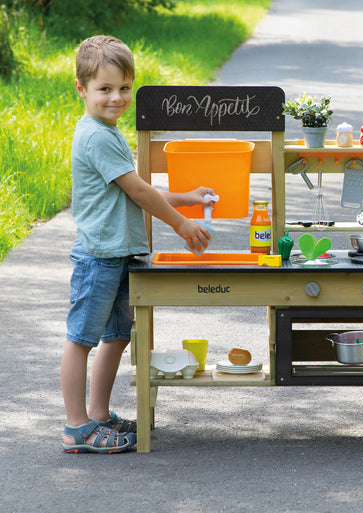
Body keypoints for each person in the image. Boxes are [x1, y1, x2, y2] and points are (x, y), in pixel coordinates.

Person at [61, 35, 216, 453]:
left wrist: (187, 197)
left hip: (120, 253)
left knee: (117, 335)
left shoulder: (106, 132)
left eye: (124, 88)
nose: (116, 98)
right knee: (81, 339)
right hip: (99, 256)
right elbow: (139, 193)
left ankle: (98, 414)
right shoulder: (95, 135)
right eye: (105, 89)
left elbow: (136, 190)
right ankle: (77, 428)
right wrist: (183, 224)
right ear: (81, 88)